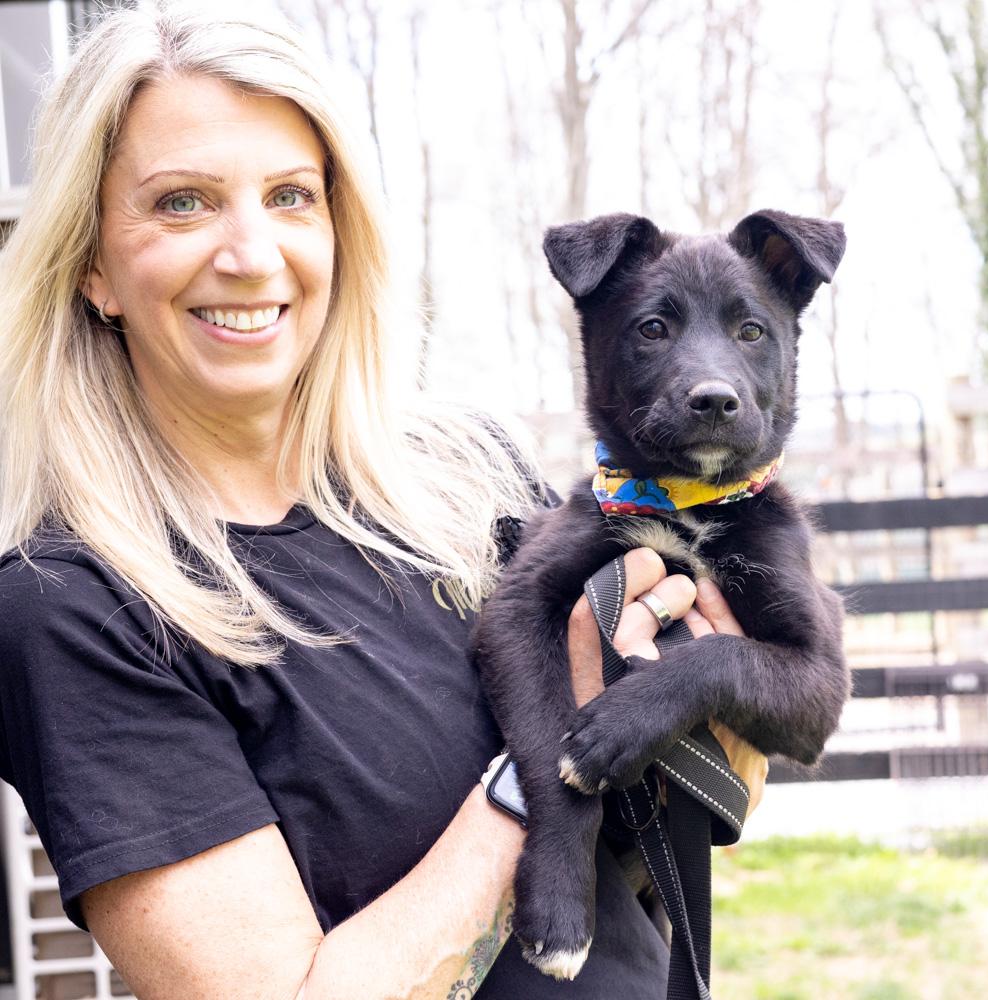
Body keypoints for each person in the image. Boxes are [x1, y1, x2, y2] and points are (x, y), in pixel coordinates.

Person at [0, 3, 767, 998]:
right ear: (93, 262)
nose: (251, 253)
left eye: (290, 195)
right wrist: (558, 737)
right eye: (183, 202)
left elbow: (698, 813)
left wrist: (713, 668)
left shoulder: (465, 477)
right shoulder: (74, 607)